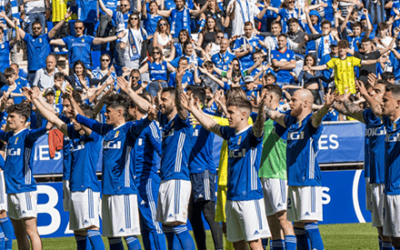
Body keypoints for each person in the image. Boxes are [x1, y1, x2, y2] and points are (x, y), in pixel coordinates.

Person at [181, 90, 271, 249]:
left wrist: (262, 110)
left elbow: (259, 128)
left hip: (250, 197)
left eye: (231, 112)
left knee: (255, 243)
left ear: (243, 115)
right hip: (231, 198)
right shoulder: (230, 133)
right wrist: (192, 109)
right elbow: (210, 125)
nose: (227, 115)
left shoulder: (252, 134)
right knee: (237, 243)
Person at [117, 72, 196, 250]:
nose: (161, 103)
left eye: (165, 100)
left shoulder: (182, 122)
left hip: (177, 178)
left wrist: (177, 82)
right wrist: (129, 91)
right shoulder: (165, 122)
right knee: (168, 228)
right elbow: (147, 108)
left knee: (178, 226)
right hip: (166, 179)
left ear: (175, 102)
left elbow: (183, 109)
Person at [71, 92, 156, 250]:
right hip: (108, 191)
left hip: (123, 190)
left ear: (119, 112)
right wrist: (77, 116)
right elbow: (91, 122)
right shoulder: (107, 130)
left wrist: (149, 119)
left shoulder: (129, 129)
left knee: (128, 235)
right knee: (112, 236)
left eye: (108, 111)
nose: (105, 113)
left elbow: (139, 125)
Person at [27, 88, 106, 250]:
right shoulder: (73, 133)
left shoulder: (94, 136)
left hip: (88, 188)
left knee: (92, 229)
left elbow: (80, 118)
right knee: (79, 233)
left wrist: (72, 99)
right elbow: (54, 119)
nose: (73, 121)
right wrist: (35, 99)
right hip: (74, 188)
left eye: (77, 119)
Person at [264, 89, 336, 250]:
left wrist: (325, 107)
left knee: (310, 223)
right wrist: (263, 106)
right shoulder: (291, 121)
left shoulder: (311, 122)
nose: (290, 103)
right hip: (293, 180)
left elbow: (318, 117)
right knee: (298, 226)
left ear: (305, 103)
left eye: (293, 100)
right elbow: (275, 116)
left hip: (308, 180)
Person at [339, 80, 392, 249]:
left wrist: (366, 94)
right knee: (379, 224)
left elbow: (378, 109)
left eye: (377, 91)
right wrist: (342, 100)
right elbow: (351, 110)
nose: (373, 93)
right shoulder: (369, 115)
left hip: (385, 176)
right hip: (371, 174)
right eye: (372, 91)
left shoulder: (389, 117)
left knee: (389, 225)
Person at [0, 101, 53, 250]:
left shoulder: (27, 135)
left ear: (22, 119)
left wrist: (45, 128)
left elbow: (38, 132)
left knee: (31, 230)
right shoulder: (9, 136)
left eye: (12, 116)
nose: (8, 119)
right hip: (10, 189)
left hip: (25, 189)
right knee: (19, 232)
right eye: (8, 116)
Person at [185, 87, 223, 250]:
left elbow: (220, 116)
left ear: (197, 101)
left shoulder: (207, 116)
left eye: (188, 97)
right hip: (187, 172)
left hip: (203, 171)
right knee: (193, 216)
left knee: (209, 213)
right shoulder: (184, 118)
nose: (185, 99)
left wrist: (220, 105)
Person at [127, 94, 167, 250]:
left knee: (154, 224)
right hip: (133, 181)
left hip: (147, 179)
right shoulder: (131, 126)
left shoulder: (150, 125)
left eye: (128, 107)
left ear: (135, 108)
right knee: (143, 226)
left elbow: (162, 148)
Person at [259, 84, 296, 250]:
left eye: (263, 96)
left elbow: (280, 117)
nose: (260, 99)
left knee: (284, 220)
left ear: (271, 97)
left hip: (278, 174)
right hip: (264, 174)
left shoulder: (283, 118)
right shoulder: (262, 119)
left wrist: (264, 109)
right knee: (272, 224)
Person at [0, 11, 72, 84]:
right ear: (32, 29)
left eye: (38, 28)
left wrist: (64, 19)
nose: (36, 30)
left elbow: (55, 29)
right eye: (34, 28)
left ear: (41, 29)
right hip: (32, 72)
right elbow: (17, 28)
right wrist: (5, 17)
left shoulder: (45, 37)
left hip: (44, 71)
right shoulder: (28, 38)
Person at [306, 40, 384, 95]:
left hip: (350, 91)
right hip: (339, 91)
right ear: (338, 49)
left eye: (344, 48)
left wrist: (376, 60)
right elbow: (323, 66)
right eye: (340, 48)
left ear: (347, 49)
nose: (342, 49)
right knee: (340, 112)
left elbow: (365, 62)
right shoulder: (334, 60)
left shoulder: (352, 59)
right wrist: (311, 68)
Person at [50, 21, 126, 70]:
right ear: (74, 28)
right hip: (73, 67)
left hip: (86, 67)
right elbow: (54, 41)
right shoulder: (70, 39)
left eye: (80, 28)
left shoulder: (88, 38)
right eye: (76, 28)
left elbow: (103, 40)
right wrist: (44, 39)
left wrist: (116, 37)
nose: (78, 29)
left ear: (83, 28)